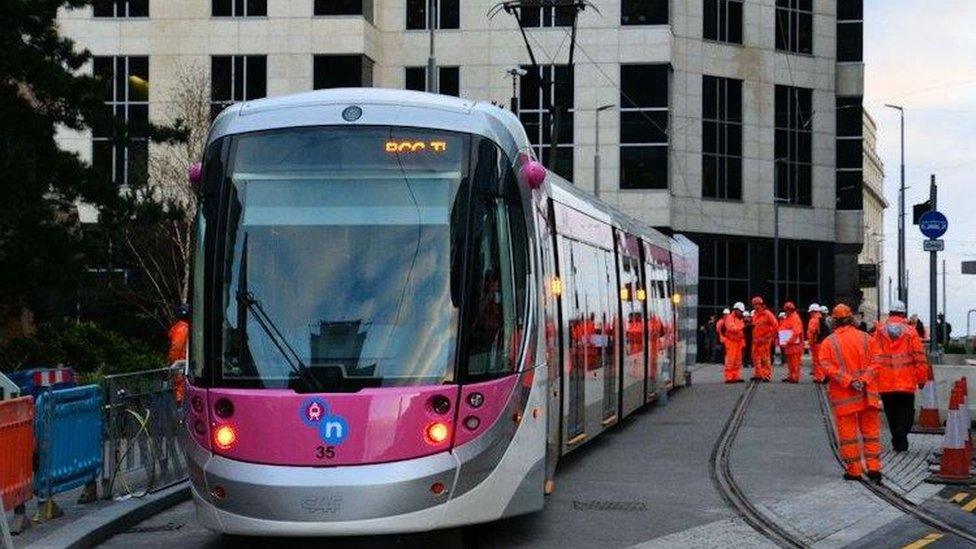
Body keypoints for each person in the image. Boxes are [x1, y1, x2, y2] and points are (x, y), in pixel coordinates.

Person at [820, 303, 883, 482]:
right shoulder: (867, 338)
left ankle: (854, 470)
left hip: (844, 397)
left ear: (833, 321)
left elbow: (826, 366)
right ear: (852, 319)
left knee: (848, 436)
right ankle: (874, 468)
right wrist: (864, 380)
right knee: (871, 433)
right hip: (867, 395)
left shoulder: (828, 343)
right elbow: (877, 361)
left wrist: (849, 381)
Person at [870, 300, 929, 452]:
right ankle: (900, 437)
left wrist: (871, 379)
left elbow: (872, 356)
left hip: (885, 382)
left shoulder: (879, 331)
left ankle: (898, 441)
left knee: (891, 414)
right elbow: (919, 358)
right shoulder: (911, 332)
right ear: (903, 313)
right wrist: (922, 379)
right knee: (907, 413)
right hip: (906, 382)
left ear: (890, 313)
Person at [750, 297, 778, 382]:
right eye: (754, 305)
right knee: (755, 357)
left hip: (764, 341)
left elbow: (775, 325)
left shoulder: (767, 314)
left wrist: (770, 336)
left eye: (756, 304)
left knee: (765, 358)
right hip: (756, 341)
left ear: (760, 304)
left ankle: (766, 375)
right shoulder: (755, 314)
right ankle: (758, 374)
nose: (755, 306)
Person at [780, 302, 804, 383]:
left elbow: (796, 332)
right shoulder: (789, 317)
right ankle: (791, 376)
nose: (786, 312)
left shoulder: (794, 318)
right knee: (790, 363)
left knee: (794, 363)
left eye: (787, 310)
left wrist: (788, 341)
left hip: (794, 345)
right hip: (790, 345)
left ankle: (794, 377)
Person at [723, 303, 747, 383]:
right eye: (740, 311)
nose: (741, 313)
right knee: (730, 360)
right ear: (736, 310)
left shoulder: (739, 319)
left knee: (737, 360)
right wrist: (741, 327)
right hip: (731, 342)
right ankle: (729, 377)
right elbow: (731, 328)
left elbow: (741, 331)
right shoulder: (729, 318)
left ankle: (736, 376)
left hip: (738, 342)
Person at [806, 303, 826, 383]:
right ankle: (821, 376)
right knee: (821, 360)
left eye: (811, 312)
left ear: (813, 311)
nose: (810, 313)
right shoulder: (821, 319)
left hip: (816, 343)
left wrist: (810, 342)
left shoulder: (813, 320)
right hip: (821, 342)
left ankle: (819, 377)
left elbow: (811, 332)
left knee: (816, 361)